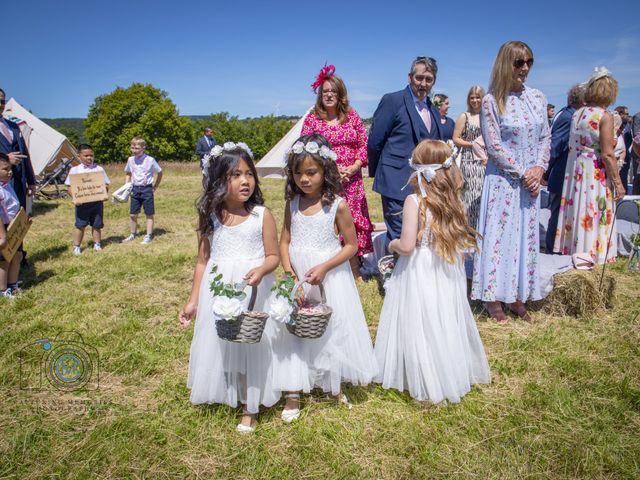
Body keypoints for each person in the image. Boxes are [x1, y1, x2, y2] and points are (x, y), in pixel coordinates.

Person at [374, 140, 490, 402]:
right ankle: (448, 370)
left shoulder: (415, 201)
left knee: (420, 321)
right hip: (446, 266)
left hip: (419, 268)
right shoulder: (454, 201)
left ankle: (424, 378)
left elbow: (406, 245)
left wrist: (388, 243)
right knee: (443, 319)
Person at [273, 134, 377, 423]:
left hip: (328, 276)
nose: (304, 179)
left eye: (311, 172)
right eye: (298, 173)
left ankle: (332, 384)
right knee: (294, 329)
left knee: (332, 328)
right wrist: (288, 271)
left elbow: (351, 246)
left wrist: (325, 267)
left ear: (325, 171)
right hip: (298, 276)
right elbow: (284, 240)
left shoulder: (337, 205)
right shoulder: (292, 203)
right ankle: (293, 390)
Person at [179, 142, 281, 434]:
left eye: (249, 173)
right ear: (218, 180)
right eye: (235, 175)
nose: (245, 181)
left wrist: (262, 269)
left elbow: (273, 255)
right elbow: (202, 261)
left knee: (251, 344)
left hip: (252, 290)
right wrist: (193, 300)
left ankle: (251, 406)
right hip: (220, 289)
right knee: (224, 343)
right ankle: (232, 391)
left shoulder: (262, 215)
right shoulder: (211, 216)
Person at [471, 41, 551, 323]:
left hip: (531, 184)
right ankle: (493, 297)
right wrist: (523, 172)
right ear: (506, 64)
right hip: (504, 182)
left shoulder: (538, 98)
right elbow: (493, 145)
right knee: (500, 238)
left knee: (524, 238)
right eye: (519, 62)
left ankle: (517, 293)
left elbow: (545, 137)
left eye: (529, 61)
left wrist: (540, 168)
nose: (525, 67)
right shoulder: (492, 100)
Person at [300, 65, 374, 279]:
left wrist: (355, 166)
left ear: (340, 94)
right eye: (325, 91)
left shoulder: (352, 116)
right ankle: (329, 268)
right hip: (326, 180)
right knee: (329, 222)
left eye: (333, 91)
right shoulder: (313, 118)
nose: (329, 95)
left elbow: (363, 143)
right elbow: (305, 146)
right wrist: (330, 169)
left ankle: (354, 269)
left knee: (351, 222)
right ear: (320, 95)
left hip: (352, 179)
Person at [368, 57, 444, 249]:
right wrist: (383, 174)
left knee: (420, 232)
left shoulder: (433, 109)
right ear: (410, 77)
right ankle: (396, 273)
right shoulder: (392, 100)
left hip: (426, 185)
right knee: (399, 231)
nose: (423, 83)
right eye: (419, 78)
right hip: (396, 181)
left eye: (429, 79)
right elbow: (375, 141)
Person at [553, 68, 625, 264]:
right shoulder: (604, 116)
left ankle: (577, 251)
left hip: (576, 170)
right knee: (595, 210)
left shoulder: (578, 114)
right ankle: (595, 254)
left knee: (580, 210)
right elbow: (608, 153)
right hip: (595, 172)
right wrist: (618, 183)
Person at [542, 84, 585, 254]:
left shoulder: (568, 113)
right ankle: (552, 250)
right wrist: (545, 171)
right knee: (557, 214)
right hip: (560, 174)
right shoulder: (569, 117)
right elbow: (555, 146)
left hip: (564, 173)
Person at [65, 144, 110, 255]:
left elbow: (106, 185)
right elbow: (69, 187)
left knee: (97, 225)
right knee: (80, 225)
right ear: (79, 156)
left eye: (91, 155)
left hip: (97, 203)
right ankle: (77, 246)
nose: (89, 158)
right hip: (82, 204)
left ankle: (97, 244)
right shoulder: (75, 170)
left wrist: (104, 194)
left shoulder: (99, 169)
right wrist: (75, 198)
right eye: (86, 155)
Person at [452, 85, 486, 229]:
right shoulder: (464, 116)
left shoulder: (487, 116)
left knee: (482, 194)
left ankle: (481, 228)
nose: (475, 100)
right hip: (469, 161)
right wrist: (473, 145)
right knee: (469, 195)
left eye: (478, 97)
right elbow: (456, 138)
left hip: (485, 161)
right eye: (472, 97)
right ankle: (468, 230)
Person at [0, 88, 36, 213]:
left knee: (18, 226)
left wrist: (31, 181)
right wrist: (6, 158)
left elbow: (25, 154)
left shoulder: (14, 126)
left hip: (18, 184)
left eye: (2, 101)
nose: (0, 104)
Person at [122, 137, 162, 245]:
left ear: (143, 148)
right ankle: (132, 234)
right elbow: (128, 173)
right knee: (132, 214)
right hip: (135, 189)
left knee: (149, 213)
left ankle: (148, 235)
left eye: (137, 148)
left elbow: (160, 172)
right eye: (132, 147)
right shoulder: (130, 160)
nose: (134, 150)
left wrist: (155, 186)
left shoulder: (150, 160)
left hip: (147, 189)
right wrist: (126, 185)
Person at [0, 153, 23, 298]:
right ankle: (2, 290)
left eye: (10, 169)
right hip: (3, 228)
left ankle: (12, 284)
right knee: (4, 260)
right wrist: (2, 236)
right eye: (4, 169)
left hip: (14, 226)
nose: (9, 172)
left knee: (17, 256)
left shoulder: (8, 185)